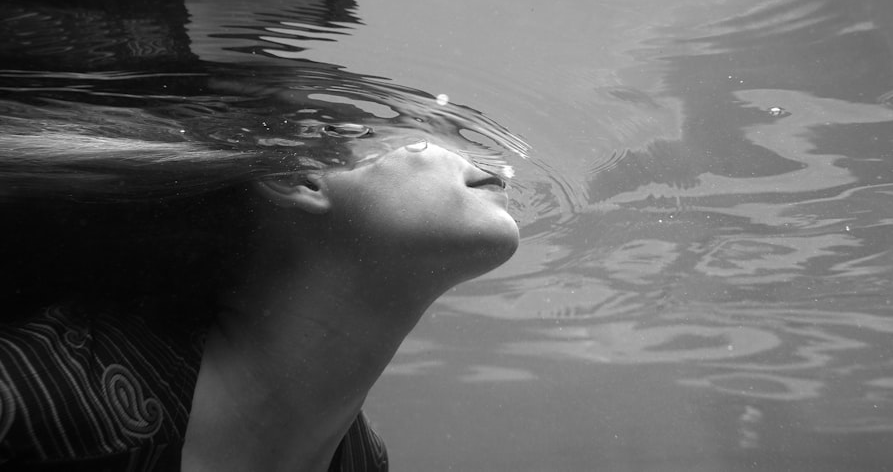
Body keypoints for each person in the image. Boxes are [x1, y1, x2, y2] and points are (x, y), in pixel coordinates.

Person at [0, 108, 520, 471]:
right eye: (428, 127)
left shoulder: (363, 461)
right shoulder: (37, 394)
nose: (481, 151)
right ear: (299, 179)